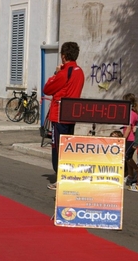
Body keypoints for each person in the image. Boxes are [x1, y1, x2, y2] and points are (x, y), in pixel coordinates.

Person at [43, 42, 85, 190]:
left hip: (59, 114)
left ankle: (60, 178)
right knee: (68, 148)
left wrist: (55, 73)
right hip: (72, 114)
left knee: (57, 148)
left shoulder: (64, 72)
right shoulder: (80, 72)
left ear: (64, 56)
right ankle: (68, 176)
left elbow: (47, 89)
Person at [122, 93, 138, 185]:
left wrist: (123, 138)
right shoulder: (132, 113)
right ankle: (130, 175)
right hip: (129, 139)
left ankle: (137, 171)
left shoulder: (131, 114)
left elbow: (129, 128)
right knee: (127, 158)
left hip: (130, 139)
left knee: (127, 156)